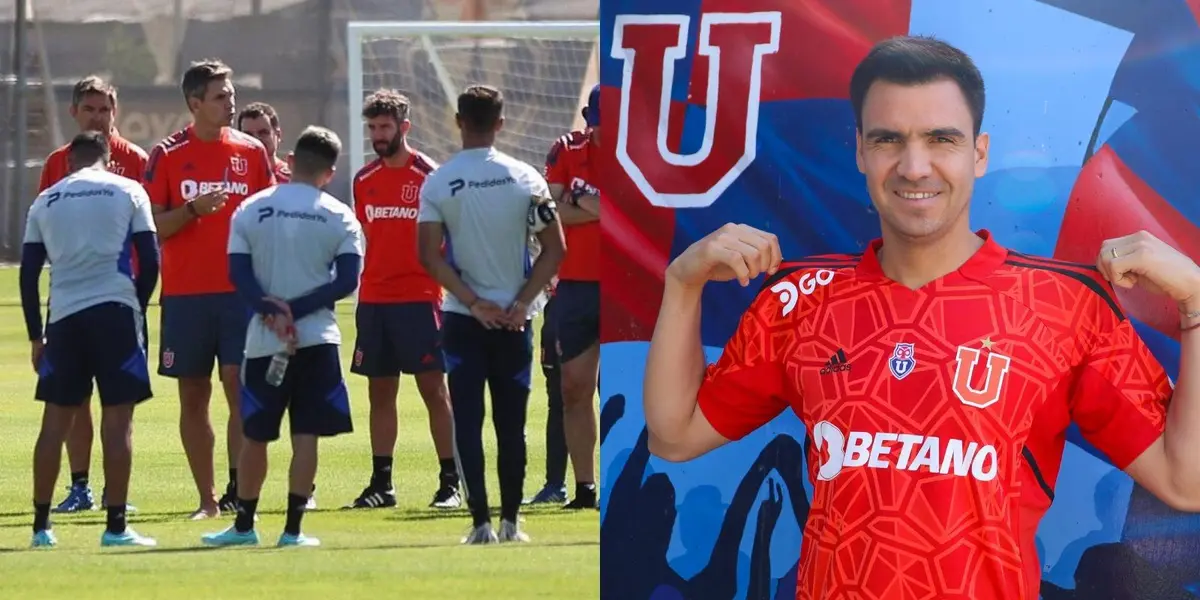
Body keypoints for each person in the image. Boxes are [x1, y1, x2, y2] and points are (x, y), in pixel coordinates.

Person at [642, 36, 1200, 600]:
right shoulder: (801, 299)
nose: (914, 166)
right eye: (889, 140)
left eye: (941, 139)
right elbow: (674, 436)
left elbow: (1186, 481)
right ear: (860, 151)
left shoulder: (1066, 305)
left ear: (978, 153)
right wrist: (682, 285)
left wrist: (1197, 306)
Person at [417, 84, 566, 544]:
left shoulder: (439, 181)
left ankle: (479, 522)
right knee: (511, 422)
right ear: (500, 123)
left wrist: (471, 300)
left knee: (468, 418)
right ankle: (511, 523)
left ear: (458, 121)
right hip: (514, 320)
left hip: (464, 318)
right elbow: (555, 250)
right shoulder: (526, 179)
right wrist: (522, 301)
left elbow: (429, 256)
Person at [202, 125, 363, 548]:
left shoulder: (251, 209)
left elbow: (237, 271)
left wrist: (271, 310)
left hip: (265, 340)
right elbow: (348, 279)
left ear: (290, 163)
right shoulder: (339, 214)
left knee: (256, 434)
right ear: (329, 172)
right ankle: (293, 530)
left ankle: (244, 527)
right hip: (317, 338)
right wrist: (300, 309)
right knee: (305, 433)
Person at [144, 58, 276, 519]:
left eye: (231, 93)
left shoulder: (251, 152)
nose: (230, 101)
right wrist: (192, 211)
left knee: (240, 387)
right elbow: (152, 227)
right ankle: (207, 499)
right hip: (185, 296)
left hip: (240, 295)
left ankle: (241, 493)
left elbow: (270, 219)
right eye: (220, 96)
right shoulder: (166, 154)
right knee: (193, 395)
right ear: (194, 102)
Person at [21, 131, 161, 548]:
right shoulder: (129, 190)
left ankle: (41, 527)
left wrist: (35, 335)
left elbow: (28, 276)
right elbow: (150, 259)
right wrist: (135, 305)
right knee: (118, 423)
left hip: (64, 320)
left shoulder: (46, 201)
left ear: (69, 162)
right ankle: (116, 527)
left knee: (54, 423)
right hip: (115, 313)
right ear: (106, 159)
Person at [37, 75, 148, 515]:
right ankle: (79, 485)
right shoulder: (58, 163)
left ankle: (114, 493)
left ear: (115, 112)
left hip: (121, 300)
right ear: (74, 113)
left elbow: (148, 237)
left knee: (120, 400)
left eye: (105, 109)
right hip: (68, 297)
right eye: (90, 110)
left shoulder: (136, 161)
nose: (99, 118)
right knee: (74, 399)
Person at [345, 89, 460, 510]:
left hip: (421, 298)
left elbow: (449, 239)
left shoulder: (430, 176)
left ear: (404, 127)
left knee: (434, 389)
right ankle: (382, 484)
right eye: (372, 127)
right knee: (380, 392)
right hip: (374, 297)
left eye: (385, 126)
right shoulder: (364, 180)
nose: (377, 134)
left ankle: (451, 482)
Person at [536, 83, 601, 509]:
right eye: (598, 125)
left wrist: (576, 200)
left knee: (621, 389)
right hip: (574, 284)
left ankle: (622, 481)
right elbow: (549, 209)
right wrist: (598, 204)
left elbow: (636, 209)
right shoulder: (566, 149)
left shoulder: (639, 149)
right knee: (573, 387)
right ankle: (583, 487)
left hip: (625, 283)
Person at [525, 278, 569, 505]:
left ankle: (596, 487)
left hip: (595, 301)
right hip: (558, 304)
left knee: (606, 392)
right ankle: (555, 484)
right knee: (558, 400)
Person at [237, 102, 291, 182]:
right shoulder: (231, 179)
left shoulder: (292, 180)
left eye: (263, 133)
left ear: (278, 135)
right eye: (248, 135)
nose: (256, 140)